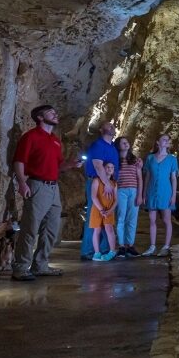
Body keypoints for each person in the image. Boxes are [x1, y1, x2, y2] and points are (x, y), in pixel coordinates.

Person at [12, 104, 81, 281]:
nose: (55, 114)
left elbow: (59, 165)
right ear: (40, 118)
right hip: (37, 185)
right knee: (30, 227)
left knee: (51, 228)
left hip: (53, 187)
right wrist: (21, 183)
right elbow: (19, 161)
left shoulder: (55, 140)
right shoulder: (31, 137)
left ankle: (40, 264)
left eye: (55, 112)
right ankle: (21, 267)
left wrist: (71, 164)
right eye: (51, 113)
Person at [80, 121, 119, 260]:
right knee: (95, 216)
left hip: (109, 183)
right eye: (108, 125)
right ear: (101, 129)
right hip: (100, 183)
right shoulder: (98, 145)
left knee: (107, 216)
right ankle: (89, 251)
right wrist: (107, 183)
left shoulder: (112, 147)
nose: (112, 127)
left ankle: (104, 249)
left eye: (113, 126)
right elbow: (98, 165)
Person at [142, 134, 179, 257]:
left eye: (168, 140)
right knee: (152, 220)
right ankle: (152, 246)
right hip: (152, 191)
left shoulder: (172, 159)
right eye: (164, 139)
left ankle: (166, 246)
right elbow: (147, 177)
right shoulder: (150, 158)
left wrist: (173, 195)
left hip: (165, 192)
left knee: (166, 220)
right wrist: (144, 193)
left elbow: (173, 178)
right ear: (158, 142)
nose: (167, 141)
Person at [114, 136, 143, 257]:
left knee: (132, 219)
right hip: (120, 190)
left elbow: (139, 178)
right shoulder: (115, 160)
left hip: (134, 191)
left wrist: (140, 195)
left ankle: (130, 245)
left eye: (127, 142)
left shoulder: (135, 160)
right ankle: (121, 245)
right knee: (121, 217)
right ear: (118, 146)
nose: (126, 144)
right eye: (123, 143)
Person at [89, 162, 117, 262]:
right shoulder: (97, 180)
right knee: (97, 230)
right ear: (103, 169)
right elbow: (93, 196)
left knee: (109, 229)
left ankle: (112, 251)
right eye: (107, 167)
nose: (110, 169)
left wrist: (110, 210)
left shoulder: (114, 183)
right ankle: (97, 253)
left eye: (112, 167)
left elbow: (116, 200)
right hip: (97, 208)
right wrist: (101, 209)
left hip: (109, 209)